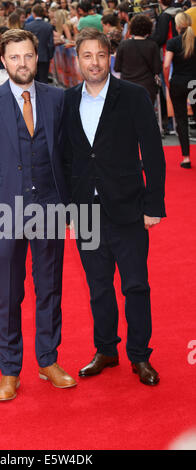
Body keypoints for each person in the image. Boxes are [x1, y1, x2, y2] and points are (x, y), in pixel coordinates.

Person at [0, 29, 77, 401]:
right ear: (4, 61)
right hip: (6, 211)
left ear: (37, 56)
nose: (22, 63)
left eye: (28, 56)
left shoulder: (57, 98)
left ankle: (48, 360)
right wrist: (2, 190)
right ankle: (10, 370)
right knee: (9, 292)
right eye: (15, 57)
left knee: (49, 288)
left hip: (49, 205)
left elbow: (65, 153)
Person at [62, 29, 166, 386]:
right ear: (77, 60)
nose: (94, 62)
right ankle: (106, 349)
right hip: (86, 213)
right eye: (87, 56)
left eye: (100, 55)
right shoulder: (67, 100)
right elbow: (65, 158)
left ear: (110, 58)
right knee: (99, 287)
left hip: (128, 208)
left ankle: (140, 355)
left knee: (136, 285)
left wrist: (154, 205)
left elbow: (153, 153)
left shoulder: (133, 96)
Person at [164, 12, 196, 168]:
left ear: (176, 26)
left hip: (177, 83)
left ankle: (186, 158)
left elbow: (166, 64)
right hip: (194, 84)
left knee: (181, 119)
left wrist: (166, 81)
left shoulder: (173, 43)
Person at [114, 14, 162, 105]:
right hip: (147, 86)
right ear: (149, 28)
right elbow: (157, 69)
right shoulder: (152, 45)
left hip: (127, 86)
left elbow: (117, 68)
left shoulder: (123, 45)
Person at [24, 4, 54, 83]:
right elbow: (51, 43)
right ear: (43, 13)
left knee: (32, 79)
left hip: (30, 56)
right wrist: (50, 56)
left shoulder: (27, 26)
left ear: (33, 13)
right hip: (44, 56)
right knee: (43, 79)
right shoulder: (48, 26)